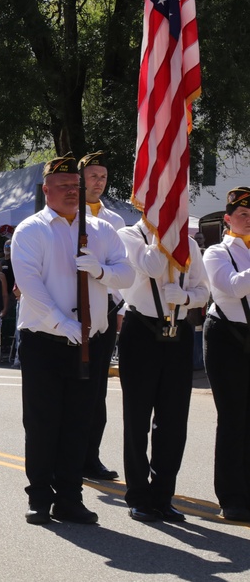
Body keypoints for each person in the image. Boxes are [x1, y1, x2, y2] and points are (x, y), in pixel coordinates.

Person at [11, 154, 132, 525]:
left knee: (78, 422)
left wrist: (101, 270)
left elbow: (126, 274)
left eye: (75, 186)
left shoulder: (100, 230)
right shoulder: (31, 230)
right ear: (46, 190)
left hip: (91, 342)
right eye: (62, 185)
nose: (70, 191)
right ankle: (40, 497)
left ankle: (70, 497)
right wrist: (64, 325)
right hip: (45, 341)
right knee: (43, 421)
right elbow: (30, 286)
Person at [117, 213, 208, 522]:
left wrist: (186, 296)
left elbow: (204, 290)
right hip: (141, 330)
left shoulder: (190, 246)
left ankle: (163, 495)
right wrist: (165, 235)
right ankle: (138, 495)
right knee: (138, 417)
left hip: (178, 332)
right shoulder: (130, 235)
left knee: (173, 420)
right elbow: (153, 266)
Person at [79, 151, 128, 482]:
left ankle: (90, 457)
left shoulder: (116, 222)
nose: (99, 183)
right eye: (94, 176)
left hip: (106, 311)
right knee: (73, 386)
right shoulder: (67, 214)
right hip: (73, 309)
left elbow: (123, 269)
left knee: (97, 389)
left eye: (103, 178)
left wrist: (121, 308)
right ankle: (67, 454)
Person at [203, 186, 250, 523]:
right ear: (228, 219)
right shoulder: (217, 252)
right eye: (243, 214)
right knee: (233, 418)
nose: (249, 220)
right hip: (227, 338)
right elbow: (231, 287)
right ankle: (232, 496)